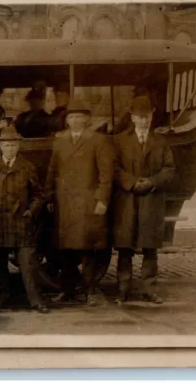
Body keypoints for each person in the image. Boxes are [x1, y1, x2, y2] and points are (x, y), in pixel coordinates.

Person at [44, 100, 114, 306]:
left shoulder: (98, 141)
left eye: (79, 117)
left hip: (87, 203)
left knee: (88, 249)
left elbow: (106, 174)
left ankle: (90, 290)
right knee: (66, 248)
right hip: (65, 202)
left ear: (87, 119)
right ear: (66, 120)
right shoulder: (60, 141)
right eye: (71, 117)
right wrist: (49, 196)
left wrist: (102, 199)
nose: (75, 121)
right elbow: (52, 170)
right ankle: (67, 290)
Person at [0, 125, 49, 314]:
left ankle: (36, 300)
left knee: (28, 262)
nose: (10, 149)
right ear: (0, 146)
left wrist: (30, 212)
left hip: (21, 223)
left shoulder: (27, 167)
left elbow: (39, 195)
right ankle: (1, 296)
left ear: (19, 146)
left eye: (14, 145)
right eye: (7, 145)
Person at [112, 96, 176, 305]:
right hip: (127, 200)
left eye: (147, 116)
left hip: (151, 199)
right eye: (140, 116)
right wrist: (131, 183)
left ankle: (149, 289)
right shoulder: (119, 141)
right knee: (125, 248)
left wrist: (150, 182)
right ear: (132, 118)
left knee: (150, 248)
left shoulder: (161, 141)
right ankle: (123, 290)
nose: (144, 120)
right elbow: (114, 168)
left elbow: (169, 169)